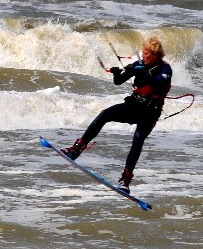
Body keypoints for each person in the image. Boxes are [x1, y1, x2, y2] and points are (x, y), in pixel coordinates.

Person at [61, 36, 172, 194]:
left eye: (146, 53)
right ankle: (76, 149)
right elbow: (119, 81)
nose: (143, 55)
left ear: (155, 55)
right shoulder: (138, 65)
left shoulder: (165, 69)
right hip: (134, 106)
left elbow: (157, 83)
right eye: (143, 52)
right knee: (105, 114)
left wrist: (143, 72)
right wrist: (116, 73)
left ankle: (125, 180)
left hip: (150, 112)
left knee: (138, 139)